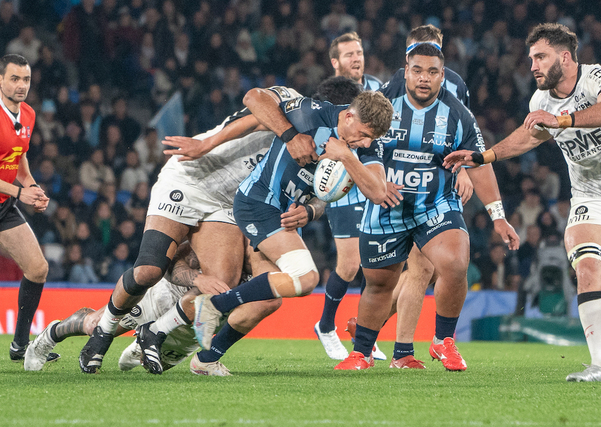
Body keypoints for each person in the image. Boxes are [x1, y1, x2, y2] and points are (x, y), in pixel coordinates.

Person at [445, 23, 601, 382]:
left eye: (540, 57)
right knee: (588, 270)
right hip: (591, 197)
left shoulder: (596, 77)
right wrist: (483, 157)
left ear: (565, 57)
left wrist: (562, 120)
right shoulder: (539, 101)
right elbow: (528, 138)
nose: (533, 65)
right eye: (531, 58)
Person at [77, 87, 293, 374]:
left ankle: (158, 335)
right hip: (190, 176)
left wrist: (310, 209)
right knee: (148, 271)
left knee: (220, 283)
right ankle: (103, 331)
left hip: (226, 203)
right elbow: (253, 101)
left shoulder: (322, 146)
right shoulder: (294, 106)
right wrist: (208, 144)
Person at [333, 41, 518, 371]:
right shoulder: (384, 106)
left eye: (432, 72)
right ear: (406, 71)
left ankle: (442, 341)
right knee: (379, 284)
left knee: (456, 263)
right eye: (417, 70)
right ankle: (361, 353)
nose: (423, 78)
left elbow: (479, 161)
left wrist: (498, 217)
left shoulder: (459, 115)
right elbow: (357, 141)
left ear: (442, 76)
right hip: (386, 206)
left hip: (435, 205)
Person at [192, 87, 393, 356]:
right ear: (348, 117)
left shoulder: (362, 146)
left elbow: (378, 192)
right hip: (257, 203)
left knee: (264, 301)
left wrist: (312, 209)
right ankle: (213, 305)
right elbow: (252, 97)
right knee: (307, 278)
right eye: (364, 135)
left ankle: (205, 358)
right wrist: (290, 135)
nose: (366, 143)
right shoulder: (311, 113)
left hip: (284, 217)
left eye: (372, 138)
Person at [25, 240, 278, 376]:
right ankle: (50, 335)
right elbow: (171, 265)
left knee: (154, 369)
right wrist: (197, 278)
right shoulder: (217, 234)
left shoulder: (269, 251)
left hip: (193, 325)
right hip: (165, 298)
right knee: (96, 326)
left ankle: (140, 346)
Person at [313, 32, 387, 361]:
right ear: (335, 63)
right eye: (348, 55)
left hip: (370, 171)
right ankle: (326, 325)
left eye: (359, 52)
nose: (355, 59)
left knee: (380, 262)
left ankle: (365, 332)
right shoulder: (329, 98)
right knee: (350, 262)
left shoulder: (376, 90)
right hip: (341, 182)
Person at [0, 54, 55, 364]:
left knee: (37, 268)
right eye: (14, 79)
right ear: (0, 80)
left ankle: (20, 345)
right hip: (9, 198)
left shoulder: (29, 115)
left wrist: (31, 187)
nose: (21, 85)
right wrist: (20, 192)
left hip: (3, 207)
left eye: (26, 80)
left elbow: (18, 157)